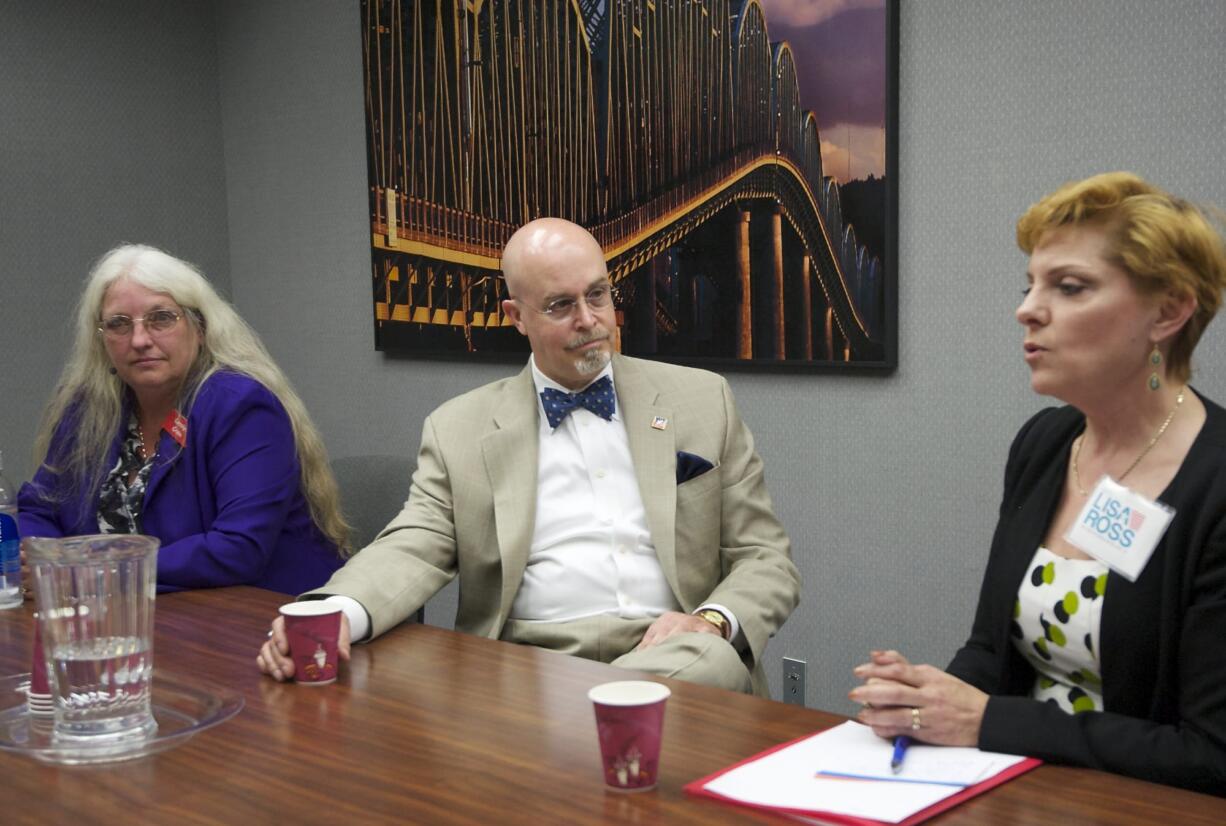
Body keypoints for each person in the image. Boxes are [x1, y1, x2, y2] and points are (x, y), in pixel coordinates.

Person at [258, 217, 800, 695]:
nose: (589, 320)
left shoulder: (703, 401)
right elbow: (412, 547)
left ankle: (575, 732)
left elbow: (765, 557)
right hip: (529, 665)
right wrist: (329, 614)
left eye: (598, 295)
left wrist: (710, 621)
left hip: (680, 654)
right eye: (561, 305)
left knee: (712, 660)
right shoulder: (459, 429)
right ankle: (598, 722)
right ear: (516, 317)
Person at [850, 172, 1226, 795]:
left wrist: (989, 721)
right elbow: (993, 650)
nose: (1027, 309)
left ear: (1169, 311)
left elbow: (1212, 755)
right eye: (1031, 285)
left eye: (1069, 287)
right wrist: (925, 697)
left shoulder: (1214, 483)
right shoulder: (1046, 445)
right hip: (1017, 787)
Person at [20, 244, 349, 594]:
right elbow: (38, 508)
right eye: (118, 324)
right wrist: (43, 560)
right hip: (136, 618)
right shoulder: (88, 411)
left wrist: (91, 573)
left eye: (161, 318)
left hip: (269, 619)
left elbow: (238, 549)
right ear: (101, 341)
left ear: (200, 327)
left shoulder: (240, 405)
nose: (140, 339)